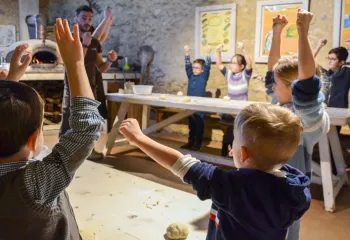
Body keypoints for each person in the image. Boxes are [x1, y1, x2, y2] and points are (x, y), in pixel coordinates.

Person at [119, 103, 311, 239]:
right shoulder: (296, 190)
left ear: (242, 153)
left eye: (235, 140)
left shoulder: (232, 188)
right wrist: (246, 159)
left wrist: (138, 139)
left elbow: (182, 164)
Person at [0, 19, 103, 239]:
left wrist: (11, 82)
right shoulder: (35, 183)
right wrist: (76, 63)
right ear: (34, 139)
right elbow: (86, 130)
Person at [265, 11, 330, 240]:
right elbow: (272, 72)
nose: (272, 87)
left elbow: (306, 83)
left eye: (276, 84)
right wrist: (277, 33)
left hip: (287, 192)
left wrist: (303, 31)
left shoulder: (307, 118)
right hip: (267, 184)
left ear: (294, 89)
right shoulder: (282, 102)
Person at [59, 5, 118, 160]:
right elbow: (75, 61)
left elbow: (100, 67)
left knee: (91, 120)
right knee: (69, 120)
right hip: (73, 85)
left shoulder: (94, 42)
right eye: (84, 18)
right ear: (76, 19)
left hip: (91, 87)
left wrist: (110, 61)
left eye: (90, 18)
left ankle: (88, 151)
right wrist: (84, 44)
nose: (87, 21)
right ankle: (63, 153)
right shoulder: (70, 39)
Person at [216, 42, 253, 156]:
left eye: (234, 63)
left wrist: (243, 49)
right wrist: (218, 51)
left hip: (239, 111)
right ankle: (226, 150)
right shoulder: (229, 74)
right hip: (229, 110)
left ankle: (232, 150)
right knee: (230, 129)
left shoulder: (244, 75)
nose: (231, 65)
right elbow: (219, 65)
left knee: (237, 131)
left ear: (241, 66)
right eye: (231, 62)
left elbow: (249, 63)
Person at [181, 45, 211, 151]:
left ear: (202, 70)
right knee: (191, 126)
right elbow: (187, 66)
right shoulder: (191, 76)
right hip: (190, 106)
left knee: (199, 127)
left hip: (199, 108)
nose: (194, 69)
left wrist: (208, 53)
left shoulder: (204, 76)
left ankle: (197, 145)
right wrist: (187, 53)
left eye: (197, 68)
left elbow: (208, 66)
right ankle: (190, 142)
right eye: (194, 67)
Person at [314, 40, 350, 111]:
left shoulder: (347, 72)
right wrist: (319, 46)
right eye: (328, 58)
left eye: (333, 59)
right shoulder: (325, 73)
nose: (329, 61)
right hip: (324, 110)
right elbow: (309, 62)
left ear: (341, 62)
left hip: (340, 111)